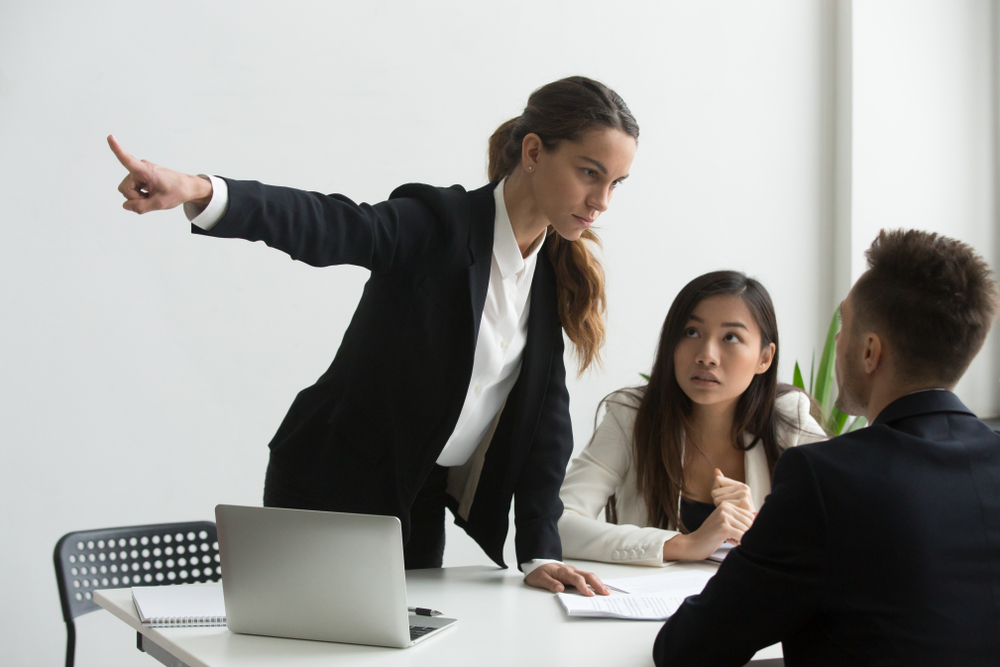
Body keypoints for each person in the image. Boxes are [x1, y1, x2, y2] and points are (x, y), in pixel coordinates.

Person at [108, 76, 639, 596]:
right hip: (331, 488)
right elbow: (335, 224)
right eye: (589, 173)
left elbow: (543, 421)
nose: (601, 201)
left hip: (415, 500)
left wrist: (540, 553)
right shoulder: (440, 224)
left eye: (615, 183)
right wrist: (203, 191)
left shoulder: (550, 274)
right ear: (533, 151)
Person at [653, 229, 1000, 666]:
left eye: (844, 328)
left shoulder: (826, 479)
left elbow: (687, 649)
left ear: (871, 351)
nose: (837, 344)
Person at [558, 271, 826, 566]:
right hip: (651, 607)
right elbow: (557, 523)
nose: (707, 355)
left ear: (764, 358)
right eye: (691, 332)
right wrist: (685, 545)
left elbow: (850, 533)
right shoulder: (632, 416)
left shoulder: (790, 422)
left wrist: (760, 528)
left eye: (731, 337)